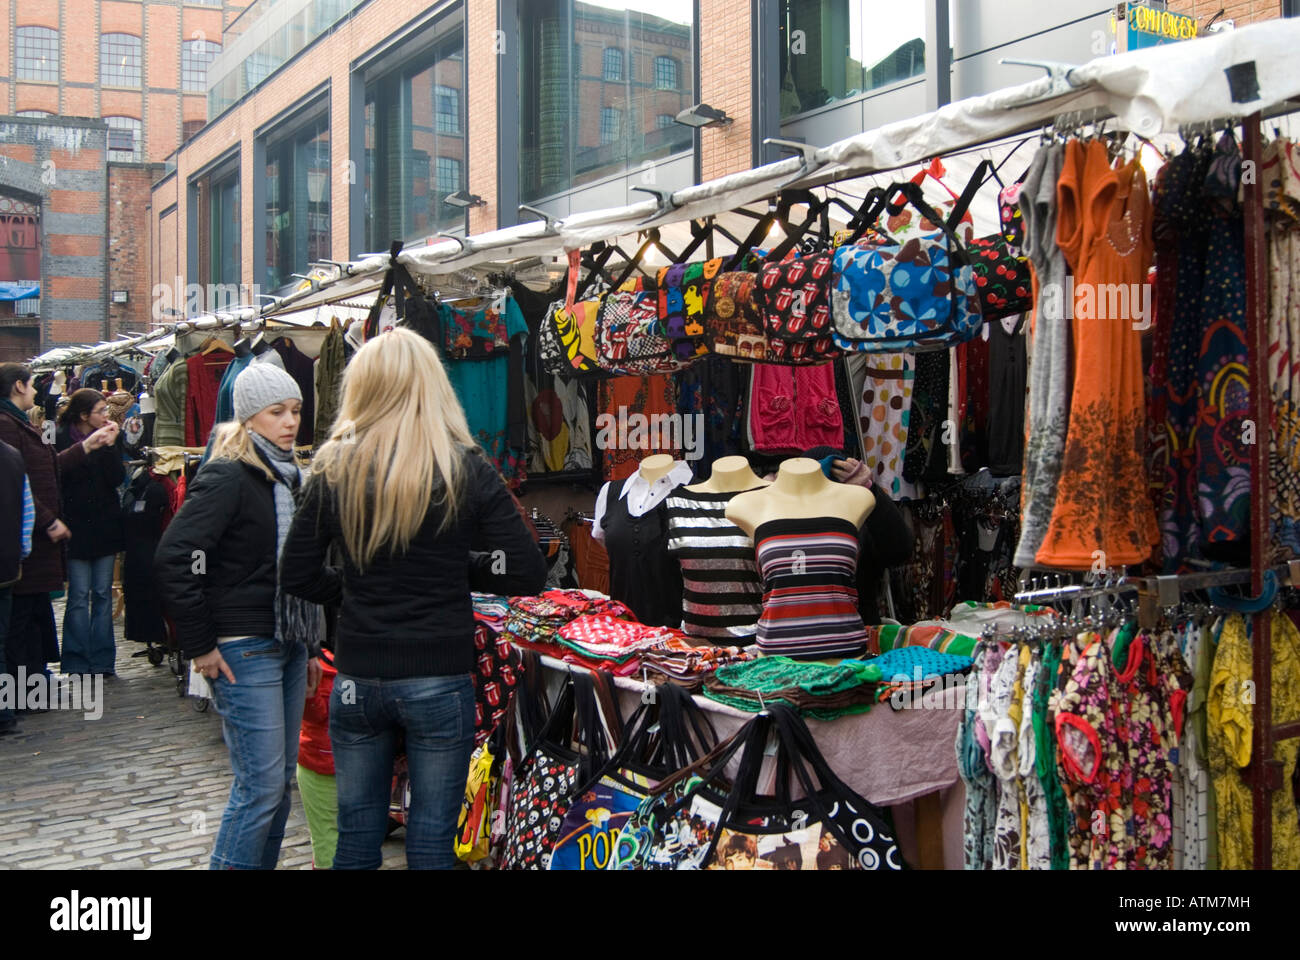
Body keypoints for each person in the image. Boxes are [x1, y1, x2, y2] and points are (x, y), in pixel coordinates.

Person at [281, 328, 546, 870]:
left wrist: (354, 590)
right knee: (430, 837)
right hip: (437, 677)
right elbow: (524, 570)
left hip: (358, 677)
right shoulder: (464, 466)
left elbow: (297, 573)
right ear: (433, 386)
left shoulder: (333, 467)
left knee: (356, 833)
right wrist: (457, 570)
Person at [154, 363, 322, 870]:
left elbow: (298, 572)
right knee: (261, 787)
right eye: (277, 412)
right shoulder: (229, 474)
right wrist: (201, 645)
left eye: (294, 410)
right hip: (242, 646)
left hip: (288, 642)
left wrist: (309, 646)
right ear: (249, 419)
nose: (290, 422)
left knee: (277, 786)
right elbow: (174, 556)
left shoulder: (289, 476)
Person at [0, 364, 117, 691]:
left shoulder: (19, 423)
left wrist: (91, 446)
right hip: (32, 539)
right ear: (19, 387)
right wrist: (48, 519)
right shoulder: (8, 426)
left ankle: (32, 683)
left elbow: (51, 466)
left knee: (33, 616)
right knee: (23, 620)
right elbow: (18, 484)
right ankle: (21, 693)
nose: (38, 391)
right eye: (33, 385)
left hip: (46, 539)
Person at [55, 389, 125, 676]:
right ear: (84, 415)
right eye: (100, 411)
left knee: (102, 594)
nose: (106, 416)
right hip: (75, 527)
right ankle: (75, 660)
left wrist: (110, 446)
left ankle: (102, 660)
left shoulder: (108, 439)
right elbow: (56, 476)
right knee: (79, 594)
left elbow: (117, 479)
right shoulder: (60, 438)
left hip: (105, 526)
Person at [0, 436, 34, 735]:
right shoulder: (11, 455)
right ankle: (4, 712)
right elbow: (28, 513)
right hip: (7, 564)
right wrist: (19, 552)